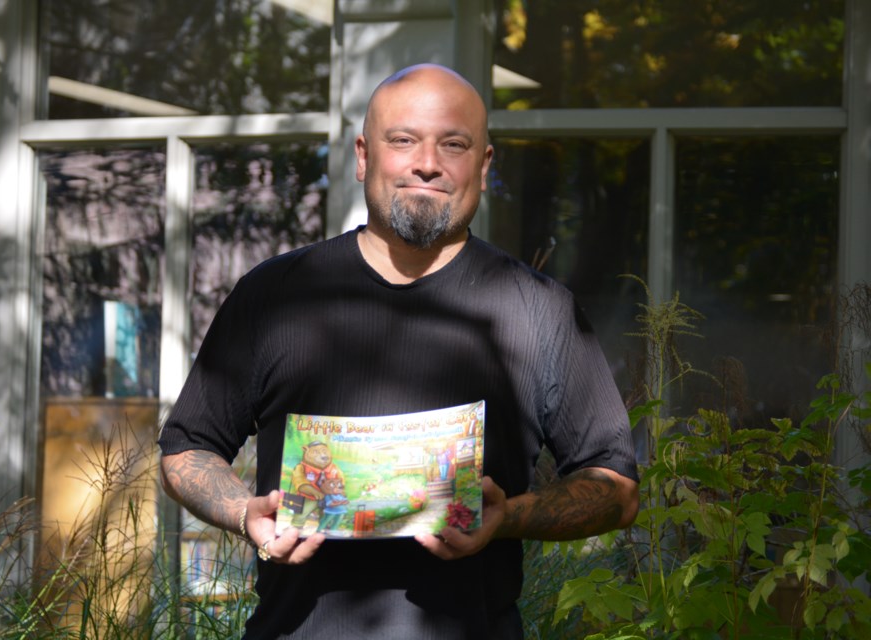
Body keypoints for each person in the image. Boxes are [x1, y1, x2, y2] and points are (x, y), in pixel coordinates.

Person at [158, 63, 640, 639]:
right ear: (364, 156)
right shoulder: (276, 295)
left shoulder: (541, 311)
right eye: (403, 140)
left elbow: (616, 488)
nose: (428, 163)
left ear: (484, 166)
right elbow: (186, 448)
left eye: (454, 145)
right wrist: (244, 513)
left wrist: (509, 517)